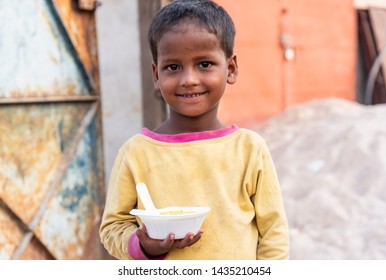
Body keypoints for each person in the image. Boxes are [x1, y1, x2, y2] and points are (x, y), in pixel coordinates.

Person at [99, 0, 289, 260]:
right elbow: (112, 228)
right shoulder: (136, 154)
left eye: (204, 64)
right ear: (156, 75)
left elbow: (274, 234)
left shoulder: (249, 149)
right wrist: (144, 246)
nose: (189, 79)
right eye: (173, 67)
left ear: (230, 69)